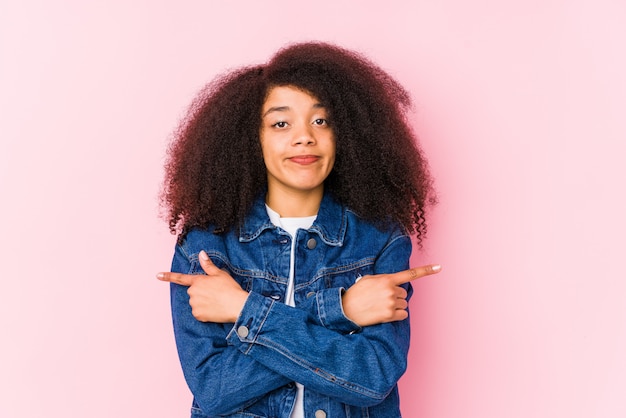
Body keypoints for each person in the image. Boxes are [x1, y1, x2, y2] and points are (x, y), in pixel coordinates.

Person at [157, 42, 441, 418]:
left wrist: (243, 309)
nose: (304, 136)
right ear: (250, 138)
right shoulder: (206, 246)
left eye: (321, 121)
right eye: (280, 123)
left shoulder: (380, 240)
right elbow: (215, 390)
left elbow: (373, 379)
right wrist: (340, 311)